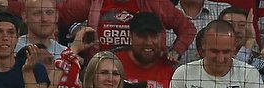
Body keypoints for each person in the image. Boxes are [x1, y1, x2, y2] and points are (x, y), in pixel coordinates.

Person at [59, 0, 196, 61]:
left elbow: (188, 28)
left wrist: (176, 51)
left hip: (145, 70)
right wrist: (75, 28)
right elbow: (58, 15)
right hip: (101, 71)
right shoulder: (91, 2)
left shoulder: (154, 3)